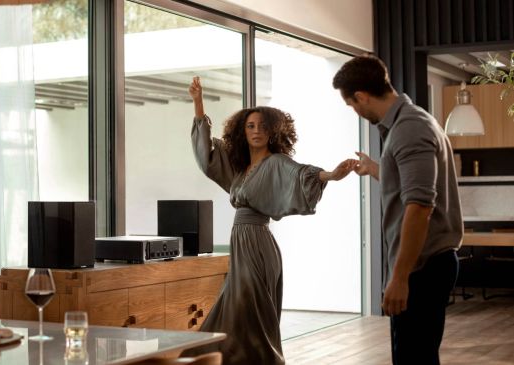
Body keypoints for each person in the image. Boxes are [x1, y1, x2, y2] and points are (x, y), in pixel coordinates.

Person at [184, 76, 357, 365]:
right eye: (250, 126)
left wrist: (332, 175)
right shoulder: (240, 168)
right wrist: (198, 103)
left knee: (247, 312)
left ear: (273, 131)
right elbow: (207, 158)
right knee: (230, 311)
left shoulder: (276, 163)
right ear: (242, 131)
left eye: (263, 126)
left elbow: (302, 174)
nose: (256, 131)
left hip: (258, 245)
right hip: (241, 244)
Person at [332, 55, 463, 365]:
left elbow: (419, 207)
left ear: (361, 96)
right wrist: (377, 169)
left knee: (412, 358)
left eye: (352, 105)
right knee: (417, 355)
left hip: (422, 267)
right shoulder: (410, 122)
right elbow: (410, 184)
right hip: (425, 264)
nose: (356, 112)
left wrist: (400, 276)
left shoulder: (409, 129)